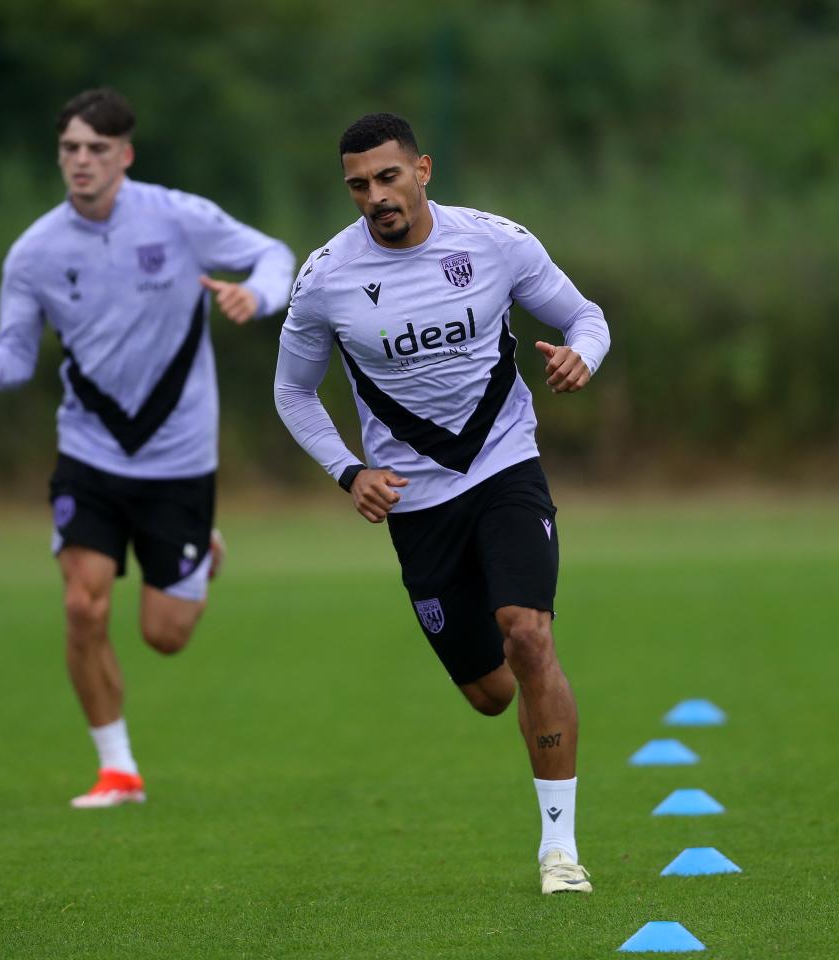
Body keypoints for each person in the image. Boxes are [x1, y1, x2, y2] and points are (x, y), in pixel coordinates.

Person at [273, 113, 610, 893]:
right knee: (491, 693)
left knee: (528, 636)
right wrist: (348, 472)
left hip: (505, 468)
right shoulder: (327, 277)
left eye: (388, 177)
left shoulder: (494, 242)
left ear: (422, 170)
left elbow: (584, 316)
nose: (376, 196)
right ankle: (522, 693)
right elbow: (292, 391)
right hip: (415, 504)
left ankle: (559, 852)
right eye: (359, 185)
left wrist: (583, 357)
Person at [0, 88, 295, 808]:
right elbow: (13, 363)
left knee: (166, 635)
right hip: (90, 453)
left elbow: (273, 254)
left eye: (97, 149)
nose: (81, 161)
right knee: (84, 607)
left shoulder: (177, 217)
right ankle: (118, 770)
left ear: (125, 155)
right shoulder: (35, 252)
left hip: (180, 459)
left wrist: (256, 296)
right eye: (70, 149)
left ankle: (203, 549)